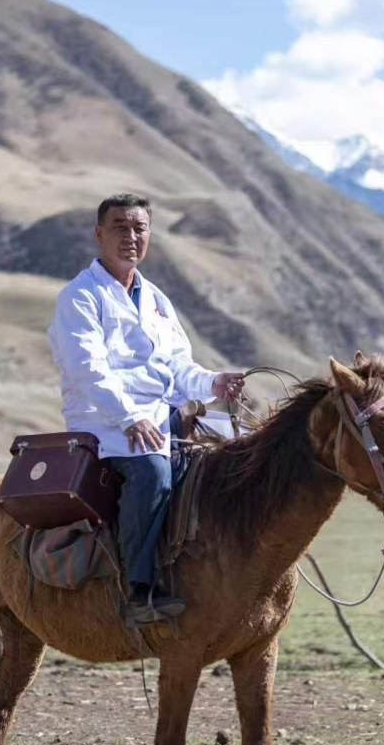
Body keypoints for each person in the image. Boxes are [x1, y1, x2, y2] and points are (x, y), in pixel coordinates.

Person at [47, 193, 245, 624]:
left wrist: (212, 382)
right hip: (105, 423)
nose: (131, 237)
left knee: (237, 454)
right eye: (120, 227)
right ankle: (137, 590)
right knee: (152, 472)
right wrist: (129, 417)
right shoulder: (80, 296)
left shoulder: (156, 299)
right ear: (99, 233)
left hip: (160, 416)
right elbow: (87, 369)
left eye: (139, 228)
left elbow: (177, 365)